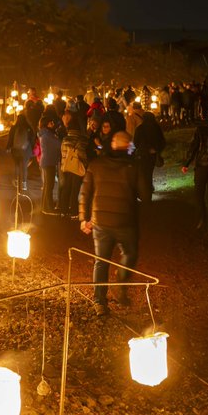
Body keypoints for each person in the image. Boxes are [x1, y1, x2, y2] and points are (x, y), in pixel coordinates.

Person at [80, 131, 149, 316]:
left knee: (101, 261)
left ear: (112, 144)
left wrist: (83, 218)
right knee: (130, 253)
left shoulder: (96, 164)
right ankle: (121, 279)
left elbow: (85, 193)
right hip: (125, 220)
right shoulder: (133, 166)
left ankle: (99, 302)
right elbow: (145, 194)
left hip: (100, 221)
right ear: (128, 146)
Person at [58, 113, 88, 217]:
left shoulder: (65, 139)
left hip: (66, 166)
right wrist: (85, 163)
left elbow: (63, 153)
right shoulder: (81, 140)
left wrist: (63, 164)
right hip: (77, 167)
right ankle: (74, 212)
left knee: (66, 188)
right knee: (75, 190)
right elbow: (82, 154)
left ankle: (63, 210)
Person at [132, 110, 166, 197]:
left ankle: (144, 190)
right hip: (152, 155)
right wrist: (156, 149)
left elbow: (135, 142)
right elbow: (162, 141)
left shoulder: (140, 128)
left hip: (142, 154)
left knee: (143, 172)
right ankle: (148, 189)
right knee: (149, 172)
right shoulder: (156, 128)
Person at [38, 115, 61, 213]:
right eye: (51, 122)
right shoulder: (47, 135)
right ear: (46, 124)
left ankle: (44, 207)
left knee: (47, 185)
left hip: (47, 161)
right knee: (49, 186)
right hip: (48, 162)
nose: (53, 124)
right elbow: (58, 144)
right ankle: (48, 207)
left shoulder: (45, 133)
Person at [7, 114, 36, 193]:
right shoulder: (29, 128)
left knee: (16, 165)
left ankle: (16, 180)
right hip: (26, 151)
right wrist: (32, 149)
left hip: (15, 150)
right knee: (24, 167)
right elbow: (32, 139)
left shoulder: (14, 128)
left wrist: (8, 147)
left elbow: (10, 138)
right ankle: (24, 184)